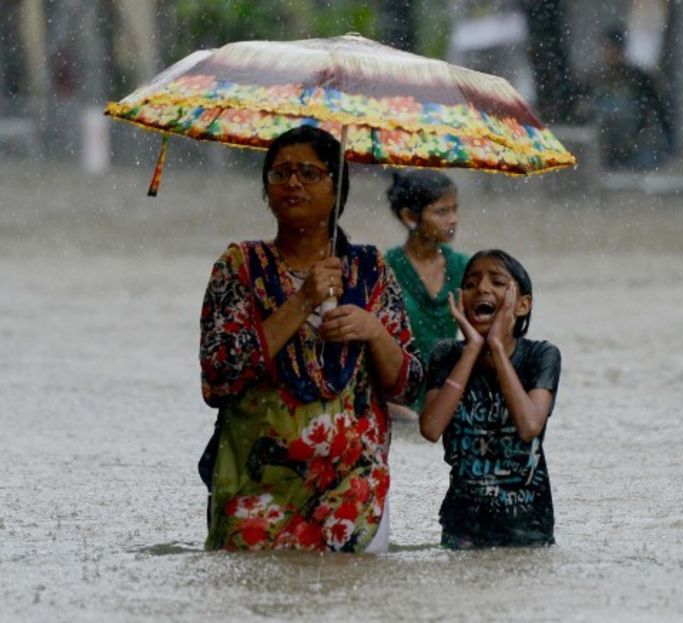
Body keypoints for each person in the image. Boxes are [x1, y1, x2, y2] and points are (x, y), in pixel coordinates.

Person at [198, 126, 422, 551]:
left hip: (354, 488)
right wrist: (302, 300)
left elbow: (409, 384)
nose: (292, 183)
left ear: (337, 188)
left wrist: (373, 331)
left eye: (308, 173)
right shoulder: (240, 267)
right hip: (256, 484)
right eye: (279, 174)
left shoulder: (370, 269)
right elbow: (219, 374)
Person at [418, 250, 561, 548]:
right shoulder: (446, 355)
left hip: (527, 530)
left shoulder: (541, 356)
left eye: (497, 281)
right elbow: (431, 428)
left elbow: (529, 425)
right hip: (462, 529)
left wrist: (496, 345)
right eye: (470, 284)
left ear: (522, 305)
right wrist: (471, 349)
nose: (481, 288)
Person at [383, 171, 468, 412]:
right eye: (442, 212)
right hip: (397, 400)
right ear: (410, 217)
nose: (453, 219)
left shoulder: (464, 268)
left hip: (444, 393)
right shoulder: (385, 269)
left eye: (455, 209)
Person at [583, 26, 673, 170]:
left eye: (614, 49)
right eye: (607, 48)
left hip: (635, 145)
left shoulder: (638, 77)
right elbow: (582, 111)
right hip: (604, 148)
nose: (611, 54)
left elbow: (656, 110)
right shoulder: (594, 78)